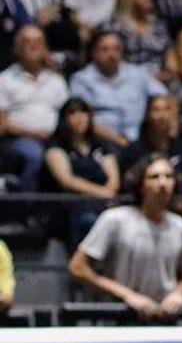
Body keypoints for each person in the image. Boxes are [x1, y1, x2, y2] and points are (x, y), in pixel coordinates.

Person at [67, 155, 182, 320]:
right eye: (154, 177)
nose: (163, 183)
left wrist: (178, 293)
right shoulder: (114, 219)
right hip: (120, 317)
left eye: (168, 177)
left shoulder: (180, 226)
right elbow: (77, 267)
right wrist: (127, 295)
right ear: (141, 184)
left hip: (165, 317)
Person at [43, 96, 121, 242]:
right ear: (64, 119)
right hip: (70, 207)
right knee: (88, 221)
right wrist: (102, 193)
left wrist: (108, 194)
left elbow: (113, 179)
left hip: (103, 204)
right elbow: (67, 180)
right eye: (72, 113)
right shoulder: (56, 146)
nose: (79, 118)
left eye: (83, 113)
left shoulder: (100, 145)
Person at [69, 29, 163, 150]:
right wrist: (119, 140)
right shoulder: (82, 80)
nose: (111, 55)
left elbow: (165, 97)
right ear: (94, 52)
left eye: (116, 49)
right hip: (103, 141)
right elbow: (82, 118)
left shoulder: (138, 74)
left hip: (142, 138)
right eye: (105, 49)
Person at [0, 26, 69, 188]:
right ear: (17, 48)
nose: (33, 45)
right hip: (17, 140)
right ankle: (26, 208)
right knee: (33, 154)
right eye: (27, 41)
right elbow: (2, 123)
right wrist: (34, 134)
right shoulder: (4, 79)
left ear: (45, 48)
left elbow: (67, 113)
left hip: (55, 139)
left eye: (38, 41)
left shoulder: (56, 81)